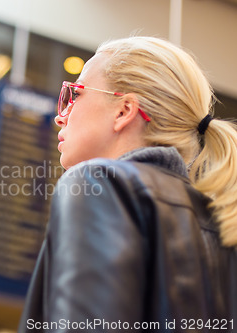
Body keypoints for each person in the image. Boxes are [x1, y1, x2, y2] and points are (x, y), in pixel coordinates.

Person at [18, 36, 237, 332]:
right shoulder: (225, 222)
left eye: (76, 94)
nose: (61, 117)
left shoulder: (99, 183)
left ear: (124, 111)